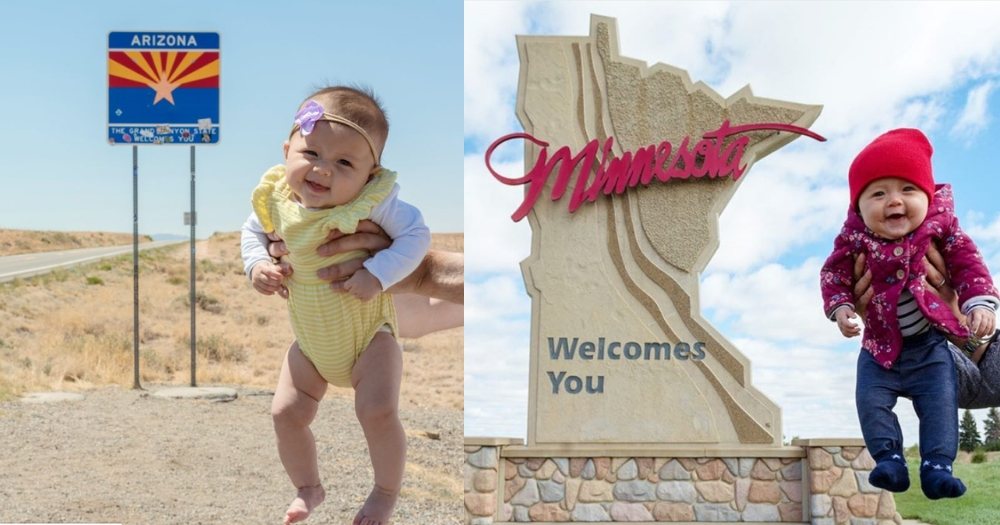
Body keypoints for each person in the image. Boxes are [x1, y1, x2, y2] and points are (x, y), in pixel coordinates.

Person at [241, 86, 430, 525]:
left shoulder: (374, 203)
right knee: (285, 412)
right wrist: (256, 267)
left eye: (344, 162)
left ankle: (384, 492)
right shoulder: (275, 203)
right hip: (310, 342)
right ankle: (308, 487)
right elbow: (250, 235)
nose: (323, 169)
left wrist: (378, 273)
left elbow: (417, 237)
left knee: (377, 412)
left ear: (370, 173)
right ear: (288, 149)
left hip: (369, 339)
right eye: (311, 153)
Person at [820, 128, 999, 500]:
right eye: (878, 193)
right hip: (878, 350)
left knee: (940, 404)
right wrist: (841, 308)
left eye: (907, 190)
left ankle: (937, 466)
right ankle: (888, 460)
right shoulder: (854, 240)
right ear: (858, 207)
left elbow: (968, 265)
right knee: (870, 401)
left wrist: (977, 302)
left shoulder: (942, 230)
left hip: (929, 347)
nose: (894, 201)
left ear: (927, 196)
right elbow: (832, 274)